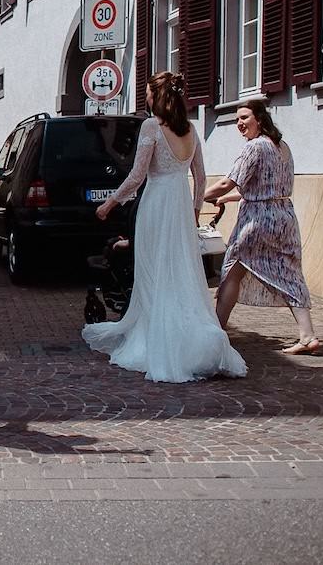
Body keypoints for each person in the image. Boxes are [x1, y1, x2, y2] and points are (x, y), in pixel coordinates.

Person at [86, 71, 247, 382]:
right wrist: (194, 211)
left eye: (147, 93)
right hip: (180, 208)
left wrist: (110, 203)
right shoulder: (191, 131)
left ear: (156, 97)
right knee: (182, 273)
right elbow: (201, 178)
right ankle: (199, 339)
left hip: (157, 205)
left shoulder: (151, 127)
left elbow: (137, 175)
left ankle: (157, 340)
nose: (145, 98)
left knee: (153, 272)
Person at [205, 100, 319, 355]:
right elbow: (267, 189)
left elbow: (227, 182)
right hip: (284, 216)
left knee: (233, 268)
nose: (239, 124)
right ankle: (308, 335)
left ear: (259, 118)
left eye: (244, 117)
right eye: (236, 119)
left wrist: (198, 196)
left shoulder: (254, 147)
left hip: (257, 221)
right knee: (289, 272)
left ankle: (216, 332)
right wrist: (227, 199)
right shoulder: (282, 147)